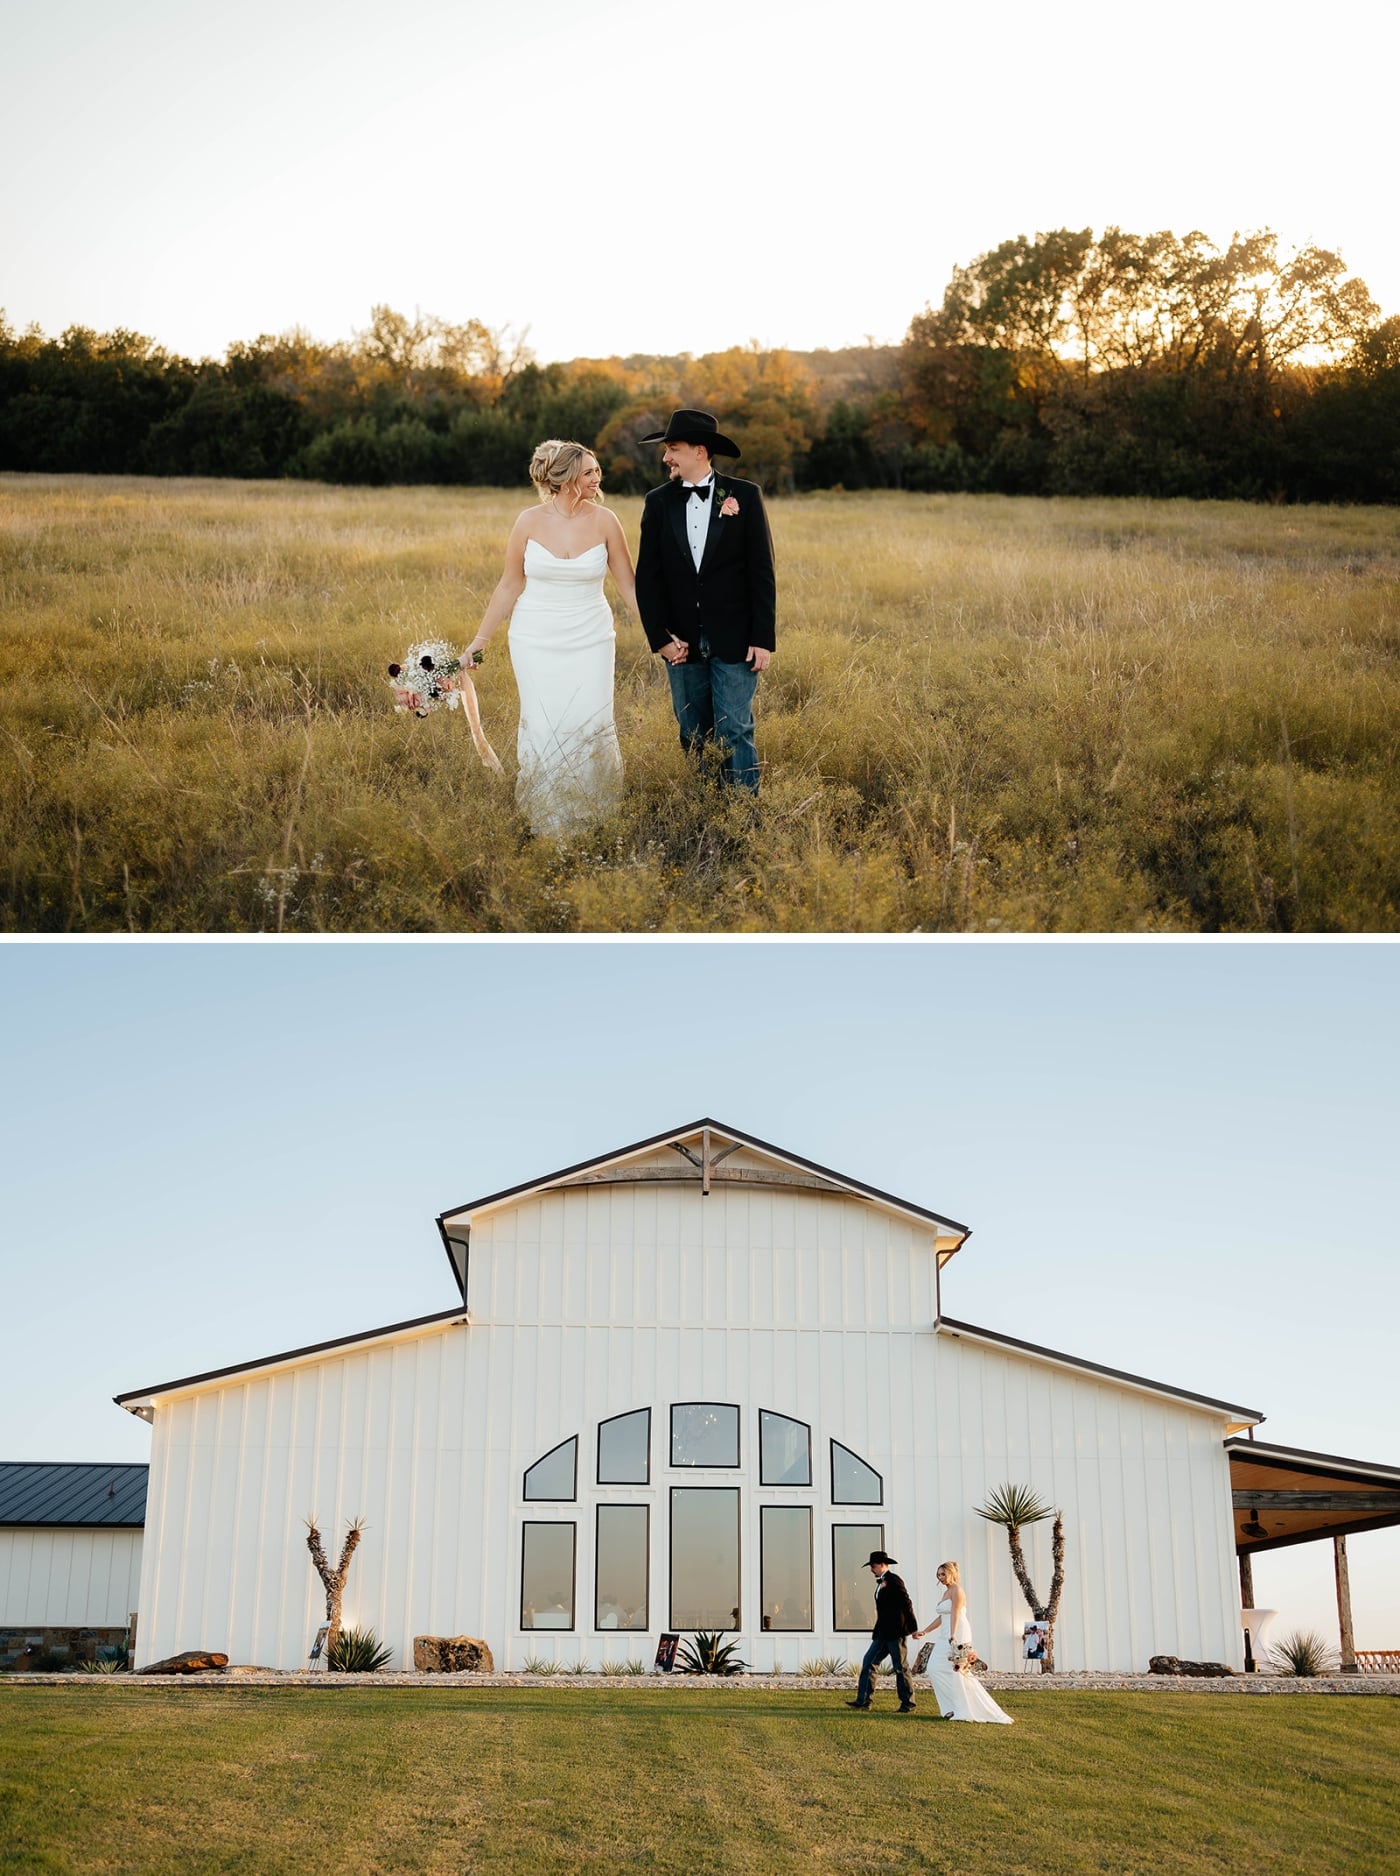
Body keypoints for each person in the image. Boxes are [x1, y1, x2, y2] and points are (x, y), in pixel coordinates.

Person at [465, 440, 633, 836]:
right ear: (566, 478)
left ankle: (595, 815)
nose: (598, 477)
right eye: (590, 471)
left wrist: (661, 635)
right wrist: (480, 640)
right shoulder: (528, 521)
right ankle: (548, 819)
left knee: (589, 720)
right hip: (534, 638)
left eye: (597, 471)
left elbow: (630, 586)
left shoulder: (607, 520)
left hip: (591, 637)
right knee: (545, 722)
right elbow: (509, 585)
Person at [633, 409, 776, 795]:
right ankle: (706, 810)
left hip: (736, 637)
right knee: (692, 732)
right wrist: (659, 637)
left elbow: (762, 572)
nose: (666, 457)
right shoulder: (658, 502)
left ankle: (744, 817)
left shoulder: (744, 496)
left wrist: (763, 637)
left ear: (700, 451)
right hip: (680, 642)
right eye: (666, 450)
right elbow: (647, 578)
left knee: (735, 729)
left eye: (673, 449)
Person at [912, 1561, 1013, 1724]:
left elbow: (955, 1614)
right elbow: (942, 1617)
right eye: (938, 1575)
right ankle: (950, 1707)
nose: (940, 1577)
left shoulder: (957, 1591)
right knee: (934, 1668)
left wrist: (953, 1636)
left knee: (958, 1673)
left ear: (952, 1574)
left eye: (943, 1574)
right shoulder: (946, 1592)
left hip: (957, 1633)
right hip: (947, 1633)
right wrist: (925, 1631)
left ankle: (962, 1709)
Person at [846, 1548, 918, 1712]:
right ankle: (863, 1700)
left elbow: (906, 1603)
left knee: (900, 1667)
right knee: (869, 1662)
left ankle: (908, 1703)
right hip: (882, 1633)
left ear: (882, 1565)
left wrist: (913, 1628)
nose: (871, 1570)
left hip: (895, 1632)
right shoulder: (881, 1582)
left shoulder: (894, 1580)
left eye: (873, 1566)